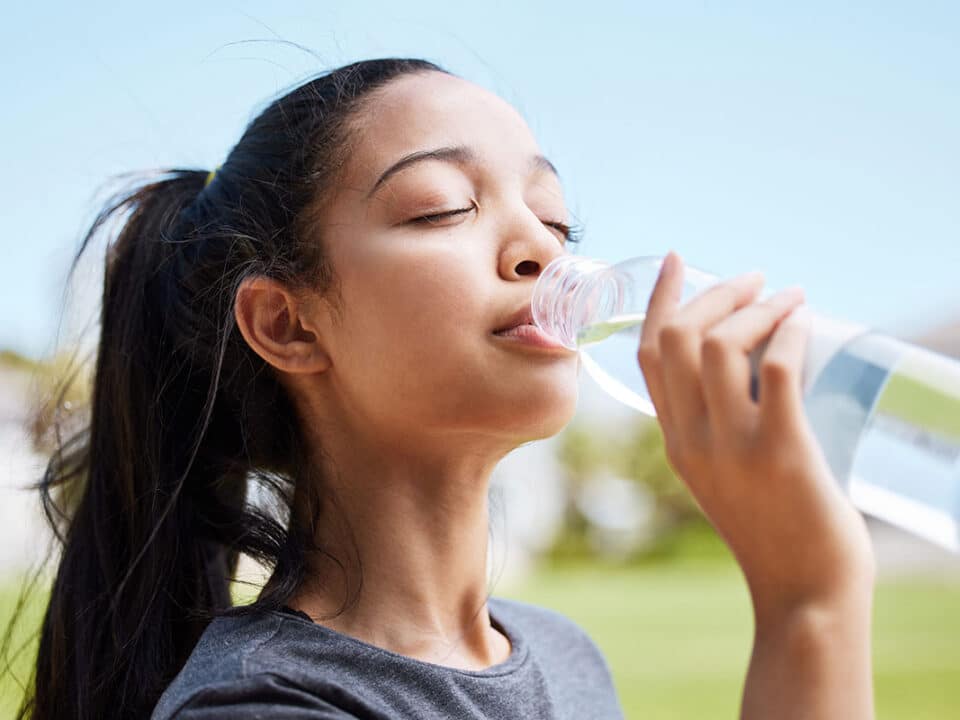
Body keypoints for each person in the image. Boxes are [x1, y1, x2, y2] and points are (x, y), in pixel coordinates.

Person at [17, 58, 875, 719]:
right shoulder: (267, 703)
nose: (542, 250)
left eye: (555, 218)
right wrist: (809, 604)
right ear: (288, 323)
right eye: (443, 209)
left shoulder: (561, 655)